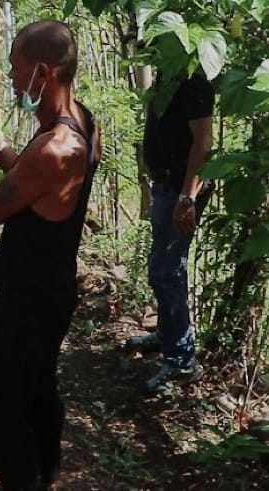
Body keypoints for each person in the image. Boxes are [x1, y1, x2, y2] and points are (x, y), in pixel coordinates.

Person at [0, 20, 100, 490]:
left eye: (17, 70)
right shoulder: (81, 122)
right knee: (38, 393)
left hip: (33, 297)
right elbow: (31, 181)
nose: (14, 80)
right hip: (48, 289)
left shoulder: (58, 146)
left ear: (43, 72)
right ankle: (44, 478)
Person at [126, 70, 214, 395]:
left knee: (167, 272)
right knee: (163, 269)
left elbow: (203, 141)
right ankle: (168, 336)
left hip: (181, 193)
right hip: (167, 188)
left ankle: (182, 362)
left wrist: (187, 197)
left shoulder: (194, 78)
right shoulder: (168, 74)